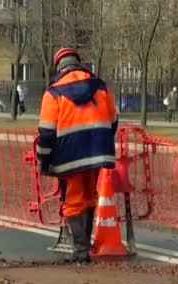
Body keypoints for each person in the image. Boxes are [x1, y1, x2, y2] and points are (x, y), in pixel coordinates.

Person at [36, 48, 117, 263]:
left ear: (59, 67)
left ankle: (81, 250)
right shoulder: (100, 86)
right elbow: (113, 119)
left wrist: (43, 160)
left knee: (73, 201)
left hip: (69, 156)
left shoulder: (53, 93)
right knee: (90, 196)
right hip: (98, 153)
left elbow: (46, 133)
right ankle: (84, 246)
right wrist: (102, 144)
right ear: (78, 63)